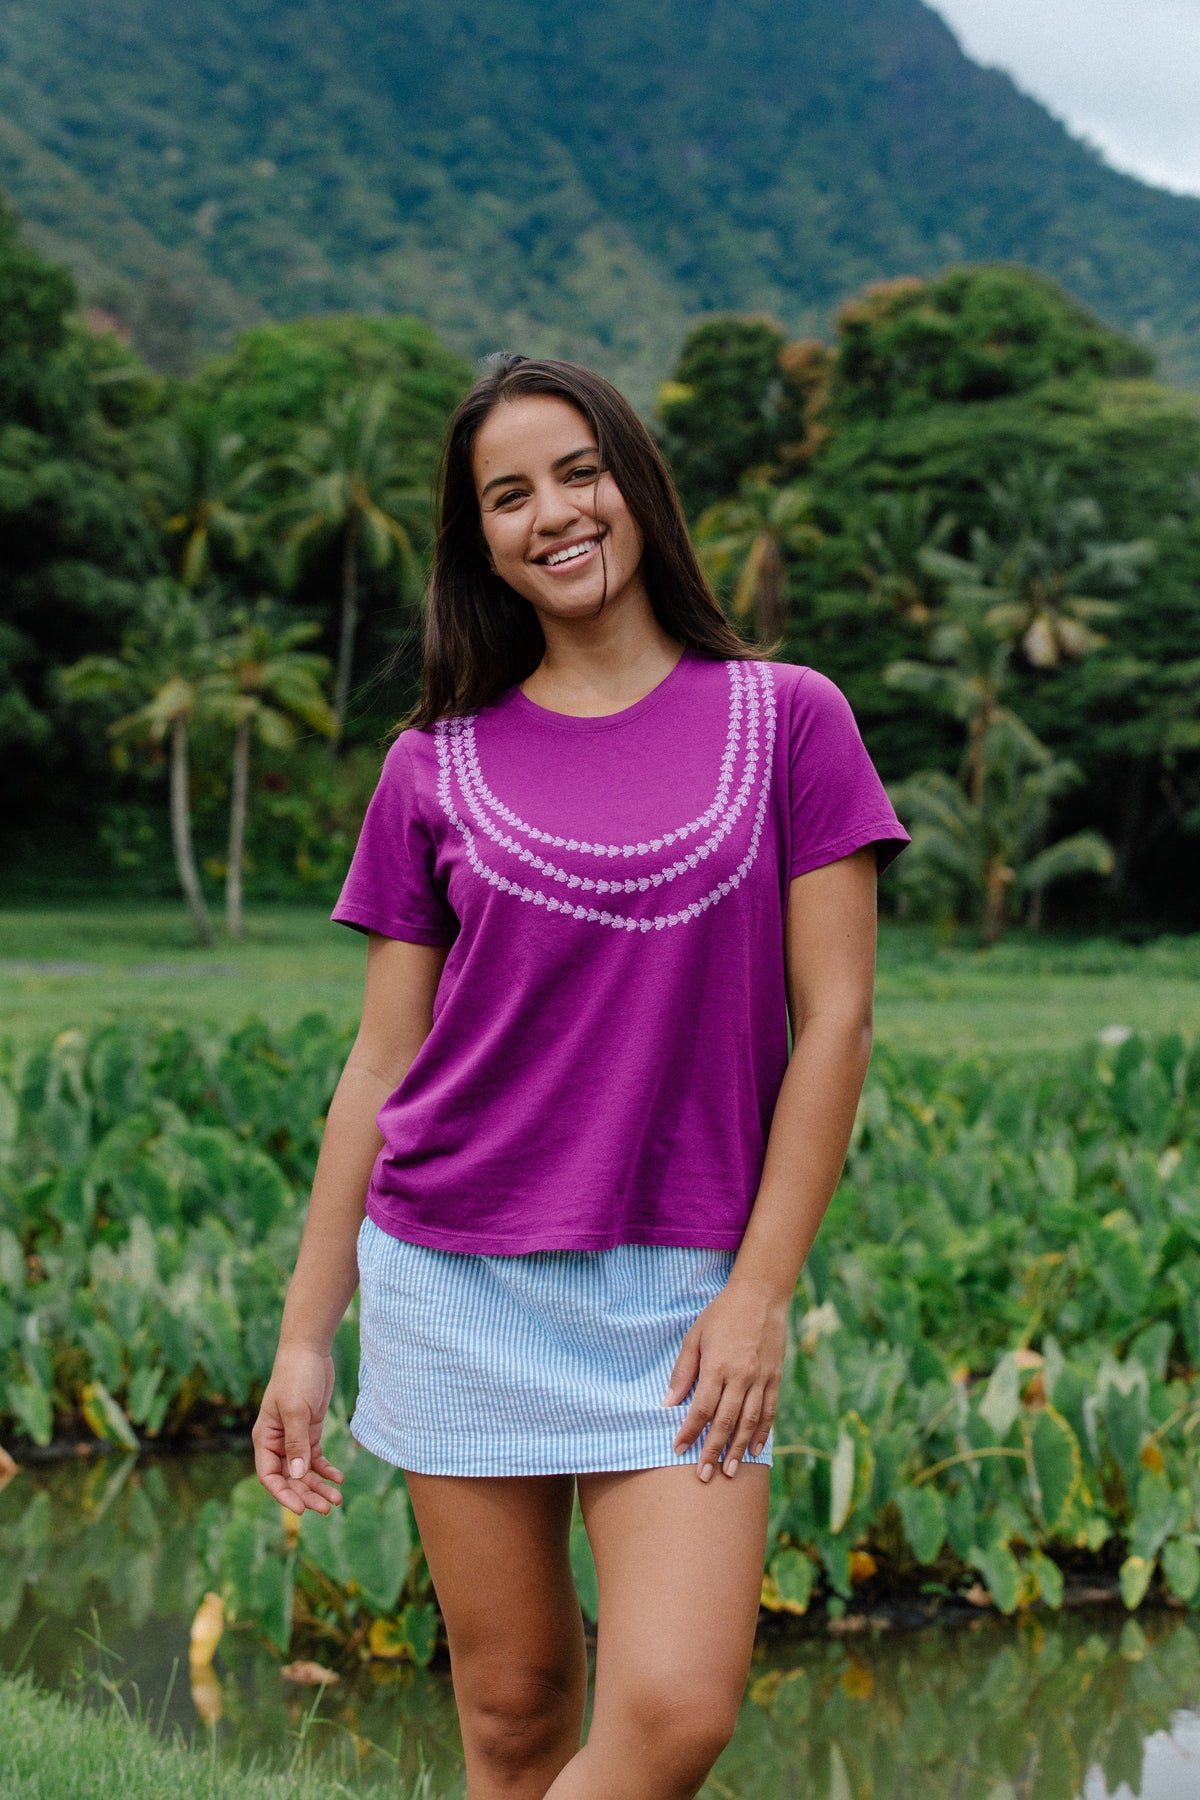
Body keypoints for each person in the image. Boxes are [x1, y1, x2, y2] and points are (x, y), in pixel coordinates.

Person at [252, 353, 908, 1800]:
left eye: (578, 471)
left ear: (635, 484)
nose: (552, 512)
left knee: (674, 1712)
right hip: (453, 1279)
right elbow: (382, 1060)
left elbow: (837, 1022)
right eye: (508, 495)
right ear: (479, 541)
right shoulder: (432, 765)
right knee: (512, 1716)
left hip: (684, 1300)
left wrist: (759, 1292)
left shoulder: (790, 717)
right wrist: (307, 1335)